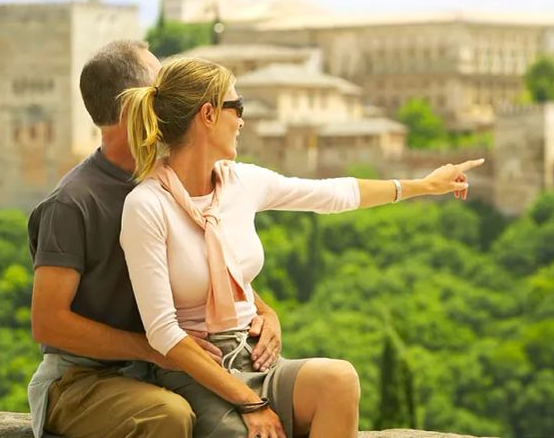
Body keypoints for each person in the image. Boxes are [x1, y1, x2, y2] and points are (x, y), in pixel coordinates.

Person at [118, 56, 485, 438]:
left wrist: (422, 186)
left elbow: (331, 194)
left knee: (339, 379)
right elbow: (163, 334)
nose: (243, 120)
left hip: (254, 355)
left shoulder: (243, 182)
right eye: (237, 107)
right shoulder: (147, 205)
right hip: (195, 373)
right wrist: (250, 402)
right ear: (208, 115)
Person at [26, 41, 284, 438]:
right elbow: (48, 323)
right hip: (81, 380)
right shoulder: (73, 203)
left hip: (158, 368)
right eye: (160, 90)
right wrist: (152, 347)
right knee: (168, 416)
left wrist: (262, 311)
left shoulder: (171, 181)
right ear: (134, 108)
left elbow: (205, 265)